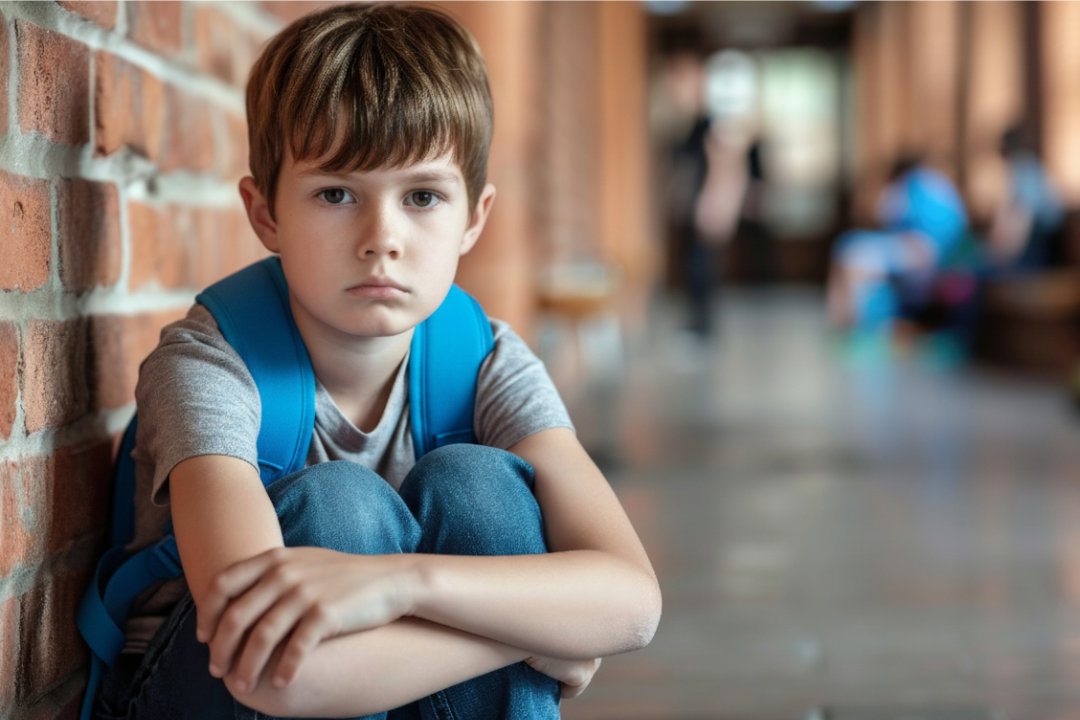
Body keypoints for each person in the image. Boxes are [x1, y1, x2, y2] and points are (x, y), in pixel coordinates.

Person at [92, 5, 661, 719]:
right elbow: (273, 674)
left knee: (480, 485)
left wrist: (404, 585)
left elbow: (633, 600)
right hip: (210, 695)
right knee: (342, 506)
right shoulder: (208, 363)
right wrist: (525, 633)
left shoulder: (487, 362)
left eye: (422, 196)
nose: (381, 238)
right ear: (265, 211)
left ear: (473, 219)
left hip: (388, 680)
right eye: (336, 194)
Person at [826, 157, 968, 331]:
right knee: (855, 252)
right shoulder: (937, 184)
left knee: (854, 254)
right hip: (942, 255)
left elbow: (885, 215)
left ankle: (854, 326)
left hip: (923, 254)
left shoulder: (911, 184)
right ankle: (855, 324)